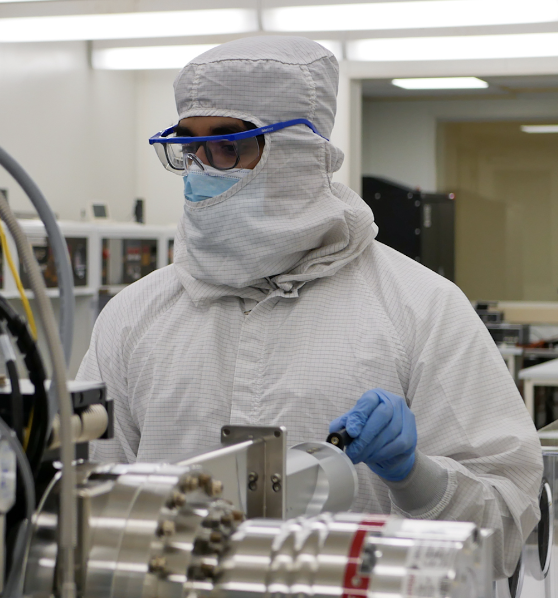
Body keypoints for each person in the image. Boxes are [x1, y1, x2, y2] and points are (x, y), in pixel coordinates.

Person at [76, 35, 541, 577]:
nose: (205, 169)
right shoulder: (134, 317)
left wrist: (414, 476)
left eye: (230, 145)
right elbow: (88, 507)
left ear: (301, 151)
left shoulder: (420, 309)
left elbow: (507, 528)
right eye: (191, 148)